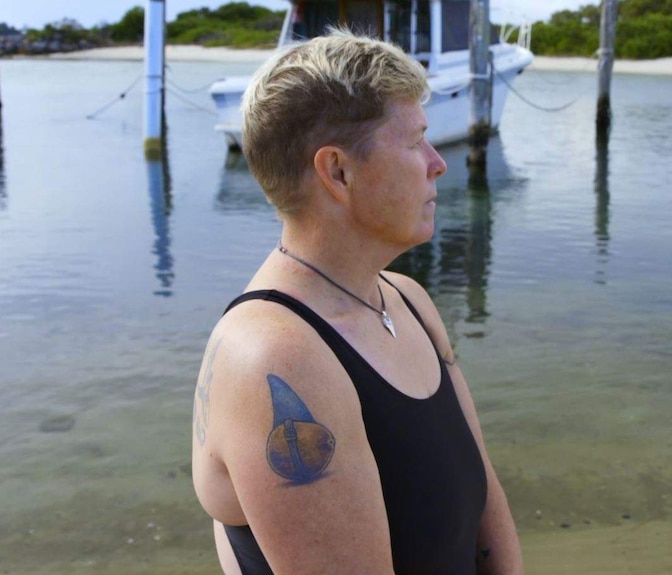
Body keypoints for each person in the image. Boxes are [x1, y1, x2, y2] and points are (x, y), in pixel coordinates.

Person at [191, 29, 523, 575]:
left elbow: (483, 496)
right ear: (338, 171)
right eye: (416, 141)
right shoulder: (275, 357)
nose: (438, 163)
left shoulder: (408, 300)